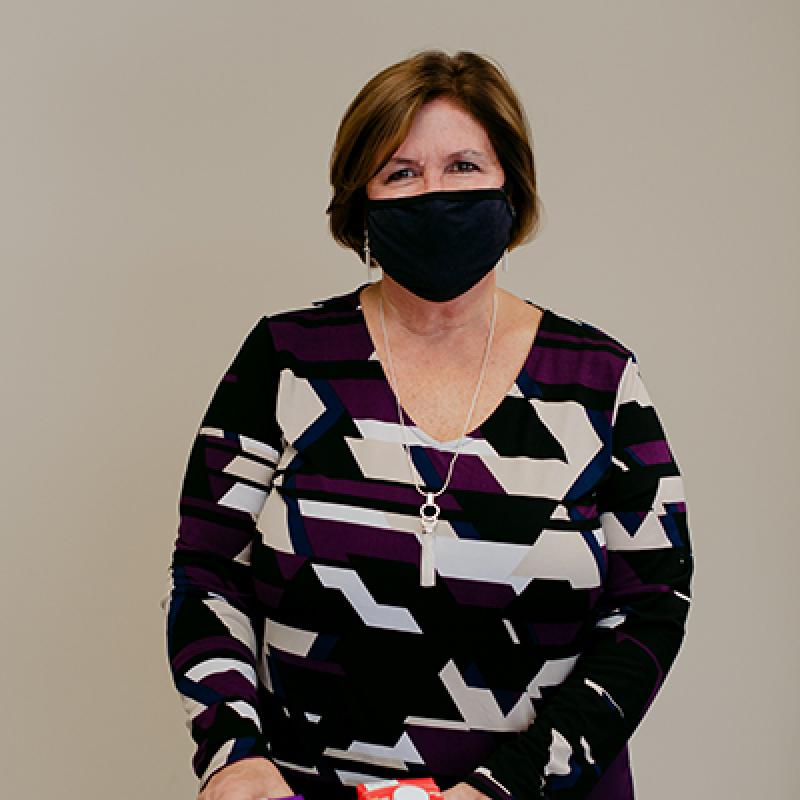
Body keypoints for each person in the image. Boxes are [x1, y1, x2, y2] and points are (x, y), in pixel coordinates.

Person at [161, 49, 693, 800]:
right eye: (401, 173)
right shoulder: (286, 358)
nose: (435, 194)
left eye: (465, 166)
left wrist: (503, 786)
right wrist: (232, 751)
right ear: (361, 202)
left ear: (512, 186)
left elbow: (653, 603)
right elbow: (206, 572)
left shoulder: (600, 380)